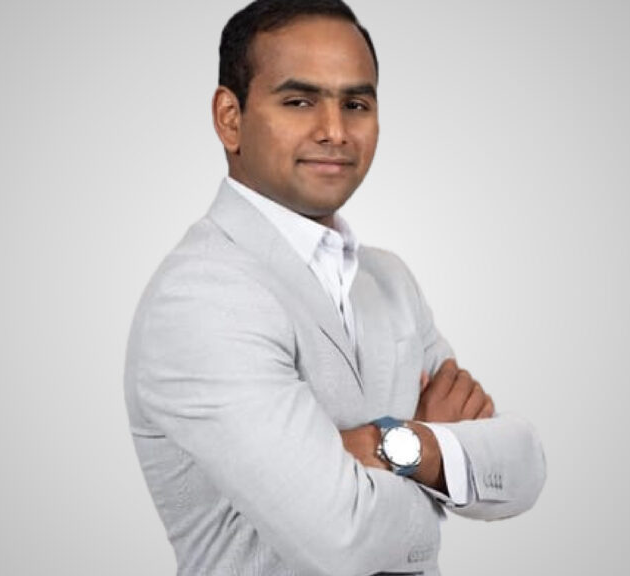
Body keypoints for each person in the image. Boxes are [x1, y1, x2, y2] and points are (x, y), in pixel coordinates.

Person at [124, 1, 546, 574]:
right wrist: (443, 462)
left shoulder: (389, 280)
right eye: (299, 101)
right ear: (230, 118)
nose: (335, 131)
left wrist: (396, 443)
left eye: (356, 104)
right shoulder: (202, 297)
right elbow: (341, 536)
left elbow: (523, 467)